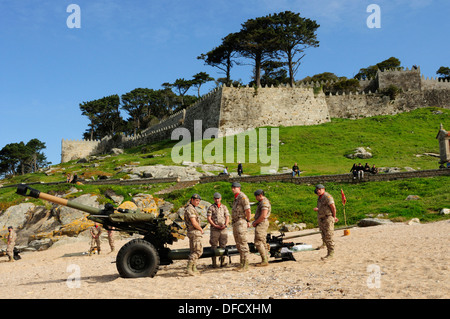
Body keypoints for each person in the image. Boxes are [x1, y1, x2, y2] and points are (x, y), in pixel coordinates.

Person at [313, 184, 338, 260]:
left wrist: (334, 217)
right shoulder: (319, 198)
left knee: (329, 236)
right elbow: (323, 207)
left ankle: (331, 254)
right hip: (322, 218)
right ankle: (325, 247)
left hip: (328, 218)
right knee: (324, 235)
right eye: (317, 190)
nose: (318, 191)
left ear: (323, 189)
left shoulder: (327, 196)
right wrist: (318, 209)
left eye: (319, 189)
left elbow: (333, 207)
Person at [231, 182, 251, 272]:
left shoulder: (242, 197)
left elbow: (248, 210)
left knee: (243, 243)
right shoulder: (236, 199)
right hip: (236, 222)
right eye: (232, 187)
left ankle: (245, 265)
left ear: (239, 188)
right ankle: (241, 264)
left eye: (234, 187)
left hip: (241, 221)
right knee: (238, 244)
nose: (233, 189)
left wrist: (248, 220)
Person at [207, 192, 230, 268]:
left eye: (218, 198)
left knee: (223, 245)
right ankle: (214, 263)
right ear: (214, 199)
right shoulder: (211, 207)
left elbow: (227, 217)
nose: (217, 200)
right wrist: (214, 225)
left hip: (223, 229)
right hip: (214, 229)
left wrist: (226, 225)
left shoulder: (224, 207)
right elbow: (209, 218)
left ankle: (222, 262)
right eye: (216, 198)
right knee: (214, 246)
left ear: (221, 198)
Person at [184, 193, 204, 276]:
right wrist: (200, 229)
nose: (198, 202)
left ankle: (194, 268)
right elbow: (194, 222)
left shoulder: (191, 208)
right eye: (196, 200)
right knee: (198, 251)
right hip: (195, 232)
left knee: (193, 251)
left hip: (192, 232)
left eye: (199, 201)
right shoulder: (190, 209)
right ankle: (189, 268)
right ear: (192, 200)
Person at [252, 189, 271, 267]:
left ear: (259, 195)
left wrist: (255, 222)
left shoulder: (264, 202)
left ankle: (264, 260)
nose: (256, 198)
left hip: (261, 223)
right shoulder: (262, 202)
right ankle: (265, 259)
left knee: (258, 241)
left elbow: (263, 215)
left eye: (256, 196)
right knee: (262, 241)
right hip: (261, 223)